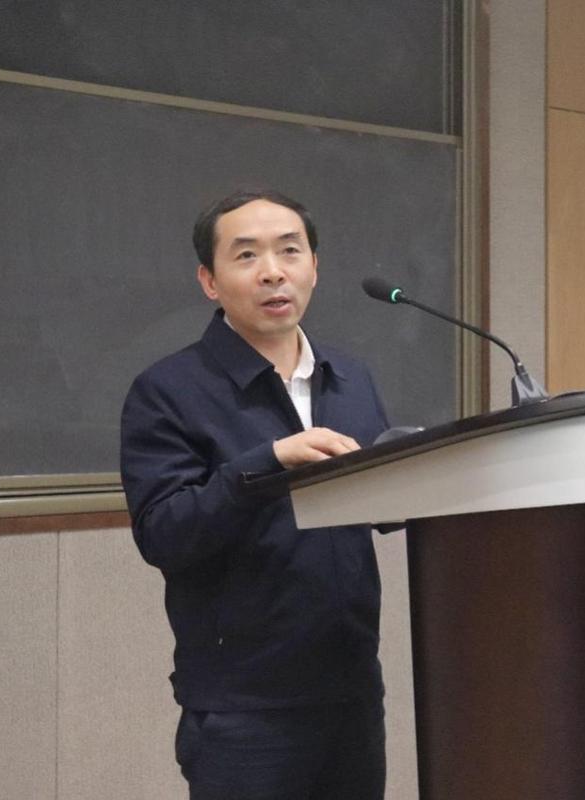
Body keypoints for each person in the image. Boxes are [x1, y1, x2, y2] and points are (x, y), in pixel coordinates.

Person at [120, 190, 390, 799]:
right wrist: (267, 464)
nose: (273, 271)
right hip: (244, 706)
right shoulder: (168, 390)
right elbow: (163, 534)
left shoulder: (350, 377)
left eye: (290, 251)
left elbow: (376, 502)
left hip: (350, 687)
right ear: (209, 281)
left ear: (314, 267)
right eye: (246, 255)